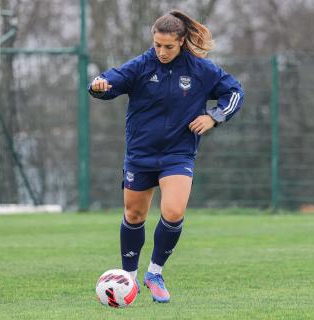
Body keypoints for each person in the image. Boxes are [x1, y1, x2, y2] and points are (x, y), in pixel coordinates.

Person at [88, 10, 244, 303]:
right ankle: (128, 279)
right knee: (135, 215)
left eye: (168, 46)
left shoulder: (201, 70)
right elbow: (113, 79)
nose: (161, 51)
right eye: (157, 44)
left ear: (182, 41)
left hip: (178, 153)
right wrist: (99, 84)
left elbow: (234, 92)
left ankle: (155, 272)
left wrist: (215, 117)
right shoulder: (142, 65)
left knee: (173, 211)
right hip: (140, 153)